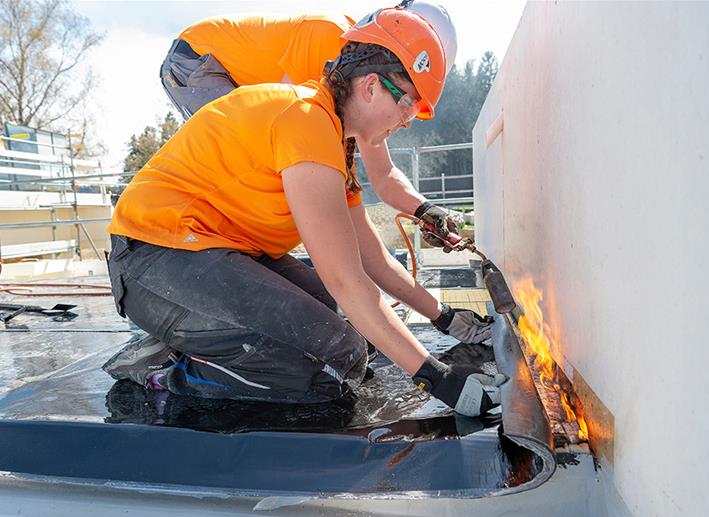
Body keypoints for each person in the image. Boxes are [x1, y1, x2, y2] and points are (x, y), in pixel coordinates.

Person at [106, 8, 505, 417]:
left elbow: (371, 259)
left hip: (213, 253)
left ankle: (203, 338)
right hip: (154, 259)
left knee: (355, 340)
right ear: (371, 86)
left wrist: (445, 319)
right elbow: (346, 280)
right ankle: (169, 369)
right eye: (409, 104)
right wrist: (437, 377)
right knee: (324, 366)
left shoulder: (333, 142)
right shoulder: (307, 120)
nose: (408, 121)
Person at [160, 1, 465, 250]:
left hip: (240, 82)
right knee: (262, 166)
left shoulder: (367, 78)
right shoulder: (330, 36)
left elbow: (383, 174)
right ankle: (181, 244)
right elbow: (284, 118)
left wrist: (424, 209)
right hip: (200, 59)